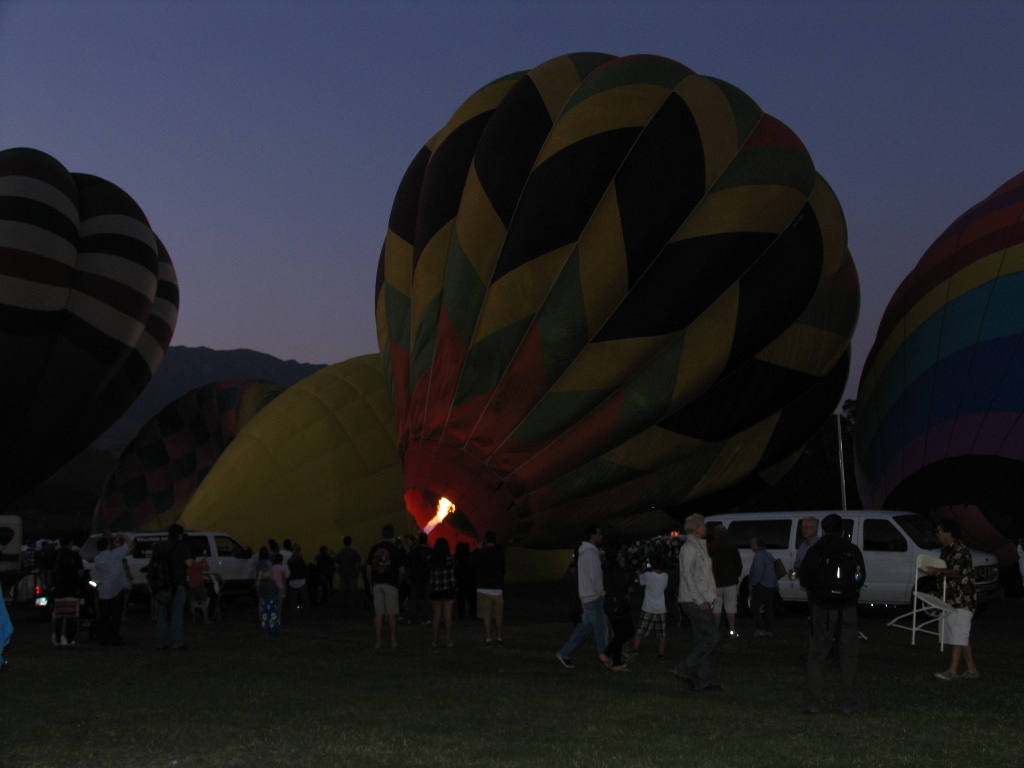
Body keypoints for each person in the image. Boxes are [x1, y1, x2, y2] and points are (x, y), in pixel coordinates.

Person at [798, 513, 865, 714]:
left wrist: (819, 593)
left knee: (817, 654)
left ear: (823, 531)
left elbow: (805, 578)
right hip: (847, 608)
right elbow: (860, 577)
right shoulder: (851, 550)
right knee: (849, 655)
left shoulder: (816, 550)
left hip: (822, 609)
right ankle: (848, 703)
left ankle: (812, 702)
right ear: (843, 531)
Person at [925, 518, 979, 681]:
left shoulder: (960, 550)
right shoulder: (946, 550)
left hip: (962, 600)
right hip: (950, 599)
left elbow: (956, 572)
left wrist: (938, 571)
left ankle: (953, 671)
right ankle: (971, 670)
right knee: (960, 635)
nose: (937, 535)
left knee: (958, 635)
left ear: (949, 533)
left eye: (939, 531)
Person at [672, 514, 721, 692]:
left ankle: (702, 681)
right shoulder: (689, 549)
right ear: (695, 528)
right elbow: (688, 577)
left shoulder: (699, 547)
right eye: (703, 526)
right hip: (693, 601)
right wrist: (700, 600)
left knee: (701, 640)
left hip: (699, 599)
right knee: (712, 636)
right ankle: (684, 668)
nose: (706, 528)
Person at [556, 525, 612, 670]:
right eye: (599, 534)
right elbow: (595, 577)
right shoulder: (591, 554)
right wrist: (601, 593)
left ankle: (565, 652)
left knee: (585, 628)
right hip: (594, 597)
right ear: (593, 536)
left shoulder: (584, 553)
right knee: (601, 629)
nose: (601, 536)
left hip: (587, 596)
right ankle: (605, 658)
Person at [153, 524, 195, 651]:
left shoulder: (160, 546)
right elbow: (189, 563)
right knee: (177, 613)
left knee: (162, 614)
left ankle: (162, 642)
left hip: (162, 584)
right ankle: (177, 642)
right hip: (177, 584)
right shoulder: (181, 546)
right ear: (180, 534)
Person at [366, 524, 405, 649]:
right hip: (391, 583)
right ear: (392, 535)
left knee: (378, 614)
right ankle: (393, 641)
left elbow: (368, 567)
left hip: (377, 583)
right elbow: (402, 570)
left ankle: (378, 642)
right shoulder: (395, 550)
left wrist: (370, 583)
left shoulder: (374, 548)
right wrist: (398, 582)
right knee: (392, 614)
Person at [92, 532, 134, 645]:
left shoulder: (97, 559)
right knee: (116, 616)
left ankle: (103, 638)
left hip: (104, 590)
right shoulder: (115, 554)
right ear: (108, 546)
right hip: (116, 589)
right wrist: (121, 534)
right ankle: (115, 637)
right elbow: (130, 543)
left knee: (104, 616)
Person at [603, 541, 635, 671]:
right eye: (620, 551)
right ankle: (606, 654)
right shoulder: (612, 567)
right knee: (627, 632)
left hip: (614, 603)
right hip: (617, 604)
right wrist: (633, 575)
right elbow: (622, 583)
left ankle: (616, 662)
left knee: (619, 634)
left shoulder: (610, 566)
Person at [707, 524, 742, 638]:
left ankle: (715, 632)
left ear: (715, 534)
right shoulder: (732, 547)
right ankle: (732, 631)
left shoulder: (710, 547)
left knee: (716, 608)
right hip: (730, 581)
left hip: (715, 582)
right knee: (730, 607)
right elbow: (738, 564)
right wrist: (735, 574)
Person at [633, 554, 669, 659]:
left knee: (640, 630)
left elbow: (640, 580)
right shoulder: (665, 576)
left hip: (648, 608)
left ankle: (635, 649)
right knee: (661, 633)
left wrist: (642, 570)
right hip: (660, 608)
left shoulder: (648, 575)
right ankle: (660, 654)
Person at [473, 531, 506, 646]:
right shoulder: (500, 553)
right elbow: (503, 570)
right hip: (497, 588)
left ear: (485, 540)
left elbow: (473, 562)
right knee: (498, 615)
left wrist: (478, 549)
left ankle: (488, 638)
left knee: (486, 615)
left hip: (483, 588)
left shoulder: (481, 553)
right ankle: (499, 637)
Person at [50, 535, 84, 648]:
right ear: (70, 543)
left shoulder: (56, 555)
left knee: (59, 616)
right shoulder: (74, 555)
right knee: (70, 616)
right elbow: (80, 572)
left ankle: (57, 638)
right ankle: (69, 639)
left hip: (58, 589)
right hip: (71, 588)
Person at [428, 537, 457, 648]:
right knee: (447, 615)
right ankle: (449, 640)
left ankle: (434, 640)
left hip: (435, 589)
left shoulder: (431, 558)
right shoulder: (450, 559)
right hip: (448, 588)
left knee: (436, 615)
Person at [748, 536, 778, 637]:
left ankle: (760, 629)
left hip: (762, 585)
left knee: (755, 607)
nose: (751, 547)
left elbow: (758, 572)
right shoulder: (768, 555)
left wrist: (753, 583)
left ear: (756, 545)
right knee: (768, 608)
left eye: (752, 544)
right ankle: (770, 630)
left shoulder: (759, 556)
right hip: (770, 585)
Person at [407, 532, 433, 625]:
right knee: (426, 599)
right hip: (426, 578)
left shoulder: (414, 551)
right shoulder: (430, 551)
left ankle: (413, 618)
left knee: (414, 599)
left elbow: (409, 563)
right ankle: (424, 618)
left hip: (416, 579)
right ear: (426, 540)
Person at [335, 536, 362, 615]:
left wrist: (340, 572)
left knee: (342, 593)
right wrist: (356, 573)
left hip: (343, 575)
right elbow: (357, 565)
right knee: (352, 593)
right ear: (351, 542)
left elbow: (336, 565)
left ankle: (342, 610)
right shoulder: (354, 553)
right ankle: (352, 610)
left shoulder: (340, 553)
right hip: (352, 575)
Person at [454, 541, 477, 620]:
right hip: (471, 581)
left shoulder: (456, 558)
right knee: (472, 599)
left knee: (461, 599)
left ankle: (461, 615)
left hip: (460, 582)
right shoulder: (470, 556)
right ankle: (473, 614)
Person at [187, 549, 211, 623]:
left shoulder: (188, 567)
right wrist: (204, 562)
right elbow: (207, 568)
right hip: (200, 584)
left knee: (192, 602)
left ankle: (193, 618)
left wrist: (202, 562)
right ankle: (206, 618)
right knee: (204, 601)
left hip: (191, 585)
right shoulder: (197, 564)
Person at [287, 544, 311, 611]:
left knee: (292, 598)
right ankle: (307, 609)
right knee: (305, 597)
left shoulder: (290, 560)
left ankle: (292, 610)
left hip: (292, 580)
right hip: (301, 580)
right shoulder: (300, 559)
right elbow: (304, 568)